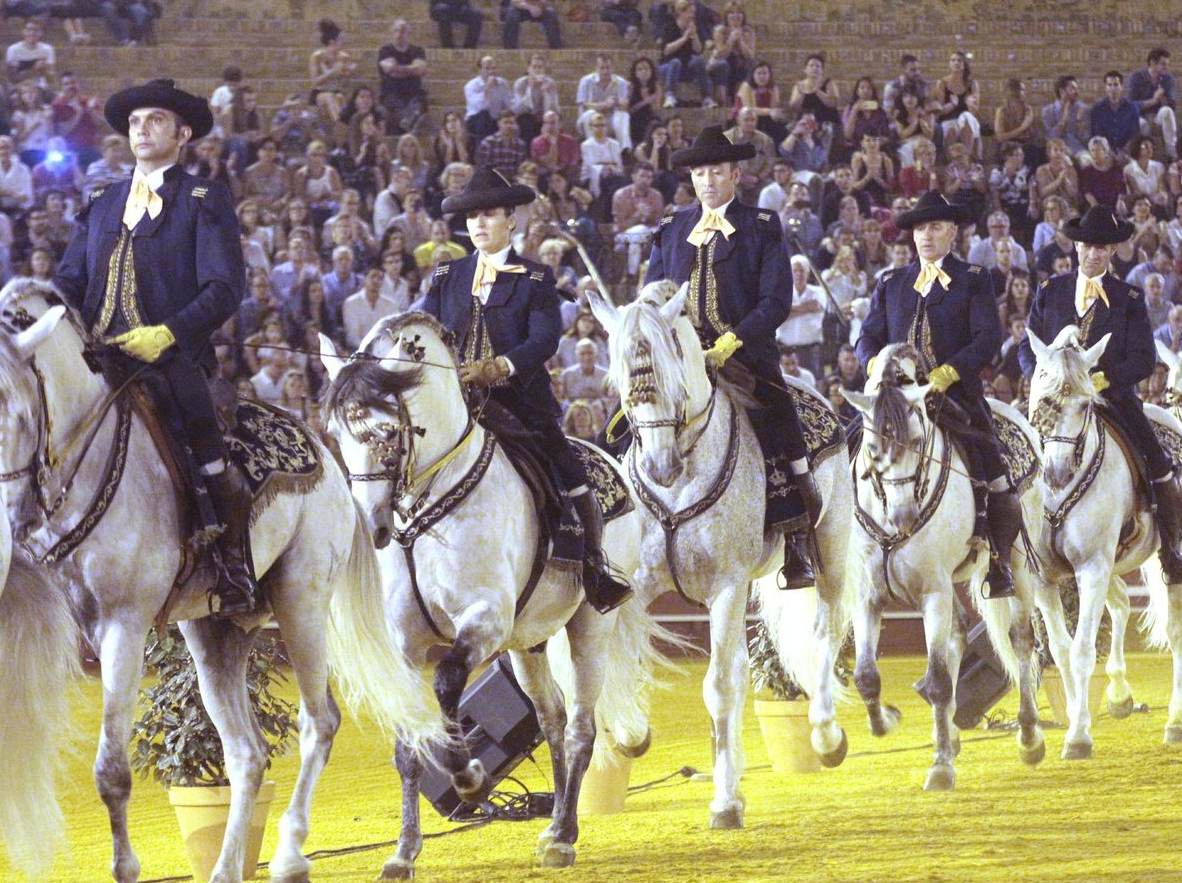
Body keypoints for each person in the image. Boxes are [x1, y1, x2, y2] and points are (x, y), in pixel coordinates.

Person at [53, 79, 254, 617]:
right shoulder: (100, 200)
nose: (142, 129)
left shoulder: (203, 198)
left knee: (200, 431)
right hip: (97, 355)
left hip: (169, 359)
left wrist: (167, 333)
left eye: (156, 121)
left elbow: (225, 288)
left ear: (182, 134)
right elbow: (68, 280)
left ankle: (231, 560)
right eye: (136, 121)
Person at [416, 165, 631, 612]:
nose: (479, 224)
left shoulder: (535, 278)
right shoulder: (445, 277)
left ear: (511, 219)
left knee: (564, 463)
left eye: (489, 215)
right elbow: (423, 330)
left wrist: (501, 366)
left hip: (518, 402)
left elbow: (545, 339)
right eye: (472, 216)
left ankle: (594, 564)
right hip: (454, 404)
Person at [644, 125, 821, 590]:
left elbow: (775, 302)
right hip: (680, 363)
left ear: (736, 174)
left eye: (716, 171)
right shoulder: (670, 229)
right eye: (699, 172)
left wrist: (731, 341)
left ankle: (798, 534)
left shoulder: (762, 227)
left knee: (780, 417)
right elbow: (651, 295)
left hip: (744, 356)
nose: (706, 180)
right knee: (625, 423)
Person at [856, 191, 1022, 599]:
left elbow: (987, 338)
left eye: (934, 227)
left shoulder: (974, 278)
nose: (926, 236)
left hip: (955, 396)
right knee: (847, 451)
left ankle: (998, 561)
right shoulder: (892, 282)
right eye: (919, 229)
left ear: (952, 233)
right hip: (894, 402)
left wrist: (949, 372)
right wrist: (874, 364)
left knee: (993, 469)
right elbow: (867, 337)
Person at [1019, 205, 1182, 584]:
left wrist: (1102, 381)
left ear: (1112, 252)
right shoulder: (1050, 290)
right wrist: (1042, 380)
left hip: (1112, 400)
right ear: (1076, 248)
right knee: (1012, 462)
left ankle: (1172, 551)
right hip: (1054, 404)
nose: (1093, 253)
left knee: (1159, 464)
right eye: (1087, 246)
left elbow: (1144, 359)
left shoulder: (1128, 297)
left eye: (1102, 248)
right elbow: (1025, 348)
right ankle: (1009, 551)